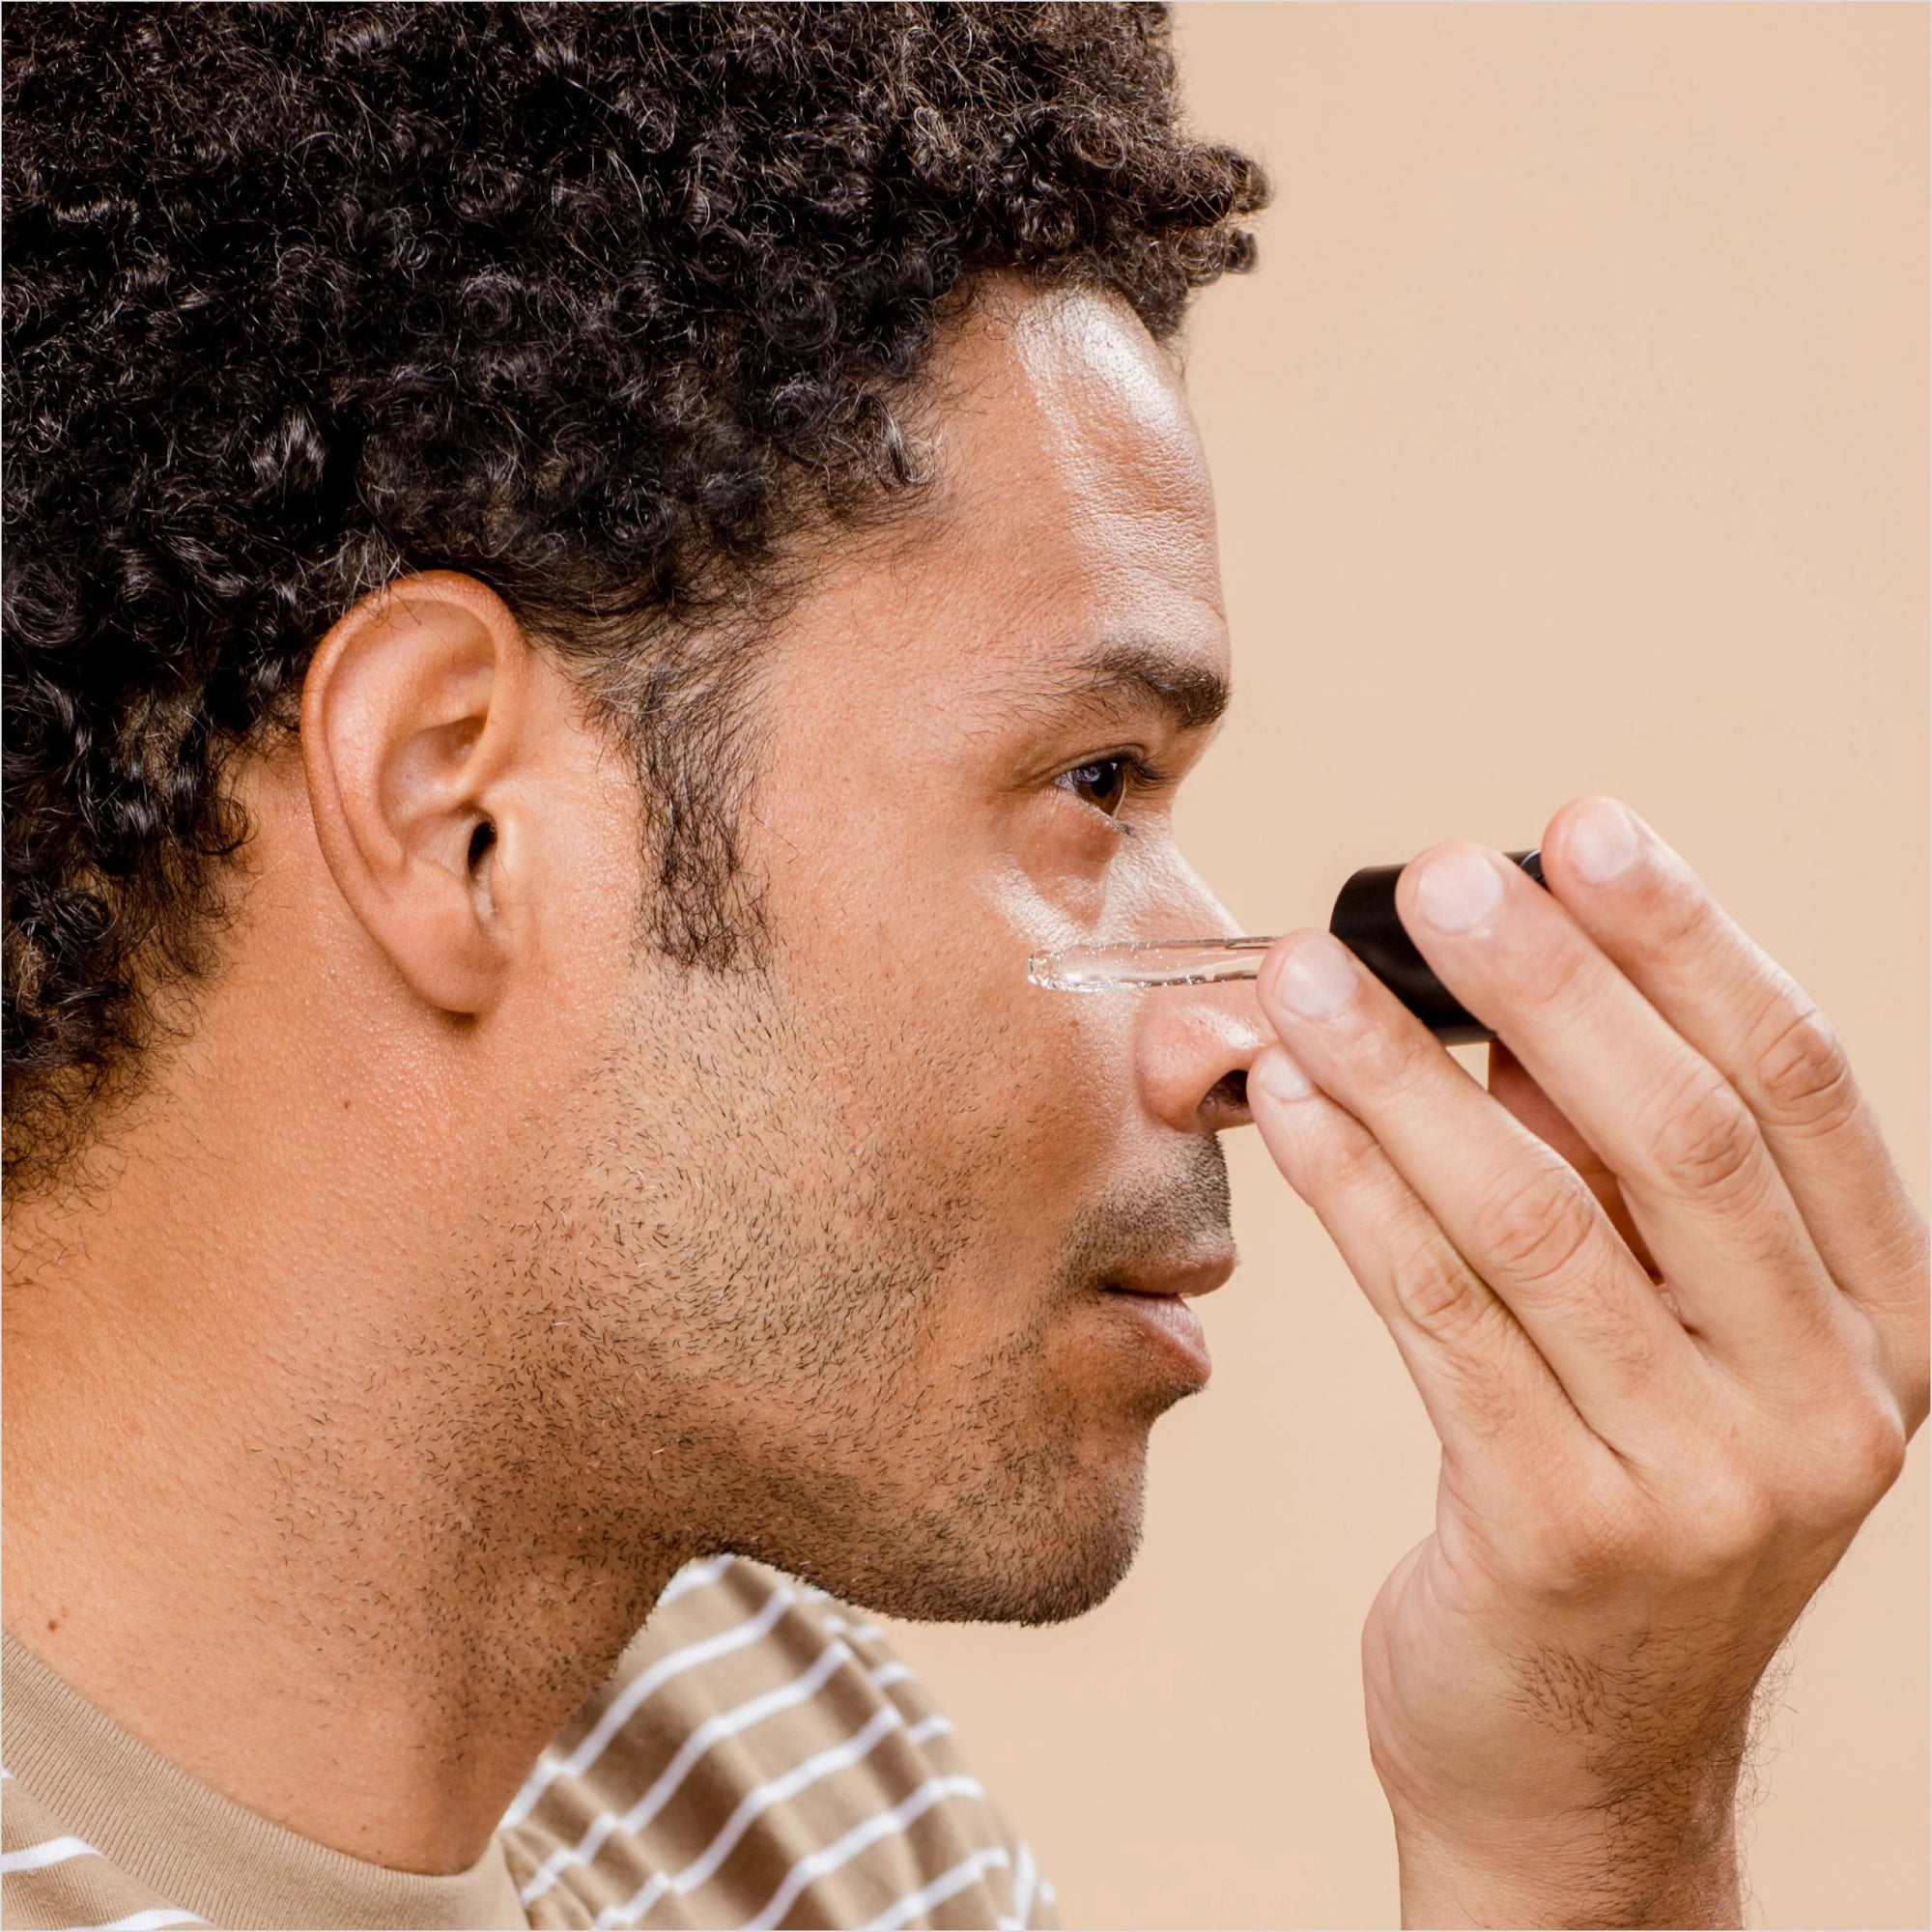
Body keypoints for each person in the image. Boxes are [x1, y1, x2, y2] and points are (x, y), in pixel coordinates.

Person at [3, 6, 1922, 1929]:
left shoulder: (769, 1763)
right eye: (1095, 783)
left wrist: (1574, 1827)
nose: (1228, 1038)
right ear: (458, 812)